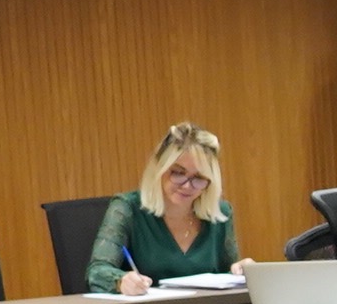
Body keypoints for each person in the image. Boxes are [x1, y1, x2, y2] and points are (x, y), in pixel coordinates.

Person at [88, 121, 238, 294]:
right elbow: (96, 272)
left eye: (199, 177)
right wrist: (120, 281)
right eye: (178, 173)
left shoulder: (220, 214)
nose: (187, 186)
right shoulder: (127, 208)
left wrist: (242, 272)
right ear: (159, 169)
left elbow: (229, 277)